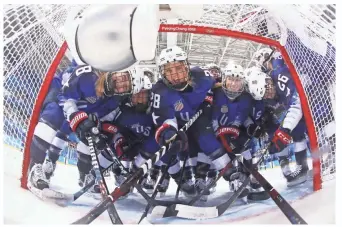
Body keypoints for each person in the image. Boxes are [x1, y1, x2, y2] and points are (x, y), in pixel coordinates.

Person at [27, 64, 147, 194]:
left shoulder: (117, 99)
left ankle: (84, 176)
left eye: (126, 87)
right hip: (61, 96)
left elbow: (105, 116)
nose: (121, 85)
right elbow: (64, 98)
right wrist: (75, 115)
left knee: (90, 133)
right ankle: (35, 166)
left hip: (84, 109)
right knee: (54, 114)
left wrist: (101, 129)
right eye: (123, 78)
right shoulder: (88, 75)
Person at [150, 46, 231, 197]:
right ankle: (181, 182)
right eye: (169, 71)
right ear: (162, 74)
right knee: (167, 148)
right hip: (178, 125)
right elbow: (163, 118)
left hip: (198, 119)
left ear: (187, 67)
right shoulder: (159, 91)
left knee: (206, 136)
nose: (175, 75)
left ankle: (229, 171)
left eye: (179, 68)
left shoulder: (201, 75)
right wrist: (169, 133)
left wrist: (209, 98)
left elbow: (216, 84)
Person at [246, 52, 309, 187]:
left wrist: (285, 129)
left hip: (308, 100)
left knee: (298, 129)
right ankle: (286, 170)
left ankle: (302, 167)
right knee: (274, 140)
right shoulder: (263, 99)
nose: (269, 94)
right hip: (281, 115)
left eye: (267, 88)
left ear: (268, 79)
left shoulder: (280, 76)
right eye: (264, 95)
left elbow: (296, 105)